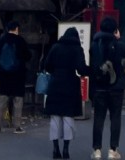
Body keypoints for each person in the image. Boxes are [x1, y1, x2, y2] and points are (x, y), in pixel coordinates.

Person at [43, 26, 90, 159]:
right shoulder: (77, 49)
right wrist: (93, 71)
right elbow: (81, 69)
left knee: (55, 118)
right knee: (68, 118)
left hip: (55, 83)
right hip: (70, 85)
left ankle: (55, 148)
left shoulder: (55, 47)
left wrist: (56, 72)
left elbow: (47, 65)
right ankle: (66, 149)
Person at [90, 16, 125, 160]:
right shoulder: (119, 44)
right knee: (115, 117)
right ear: (115, 30)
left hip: (99, 86)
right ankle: (113, 150)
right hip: (116, 87)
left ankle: (96, 150)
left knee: (99, 118)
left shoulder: (95, 44)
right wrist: (119, 38)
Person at [0, 20, 31, 133]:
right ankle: (17, 126)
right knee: (17, 99)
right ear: (16, 29)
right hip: (18, 74)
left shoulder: (1, 39)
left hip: (3, 73)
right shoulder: (20, 41)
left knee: (3, 97)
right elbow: (27, 56)